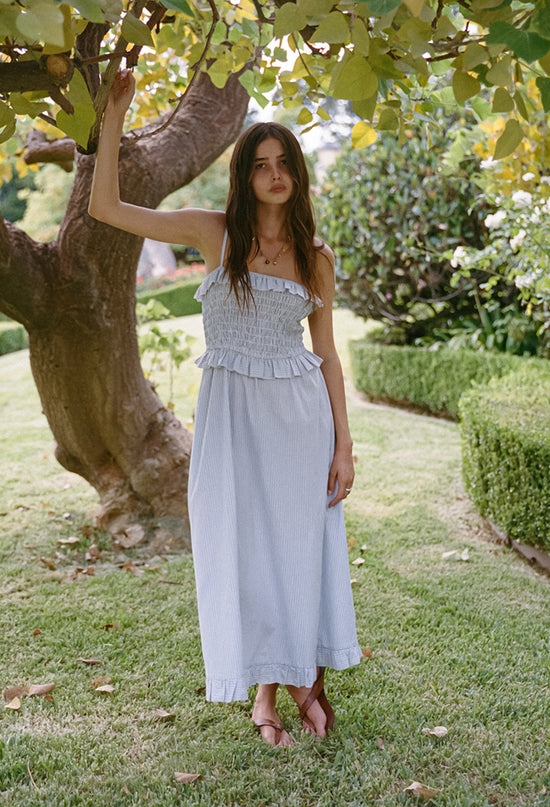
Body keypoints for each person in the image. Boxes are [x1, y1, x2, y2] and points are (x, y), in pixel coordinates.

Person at [89, 69, 362, 747]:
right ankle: (280, 686)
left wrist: (344, 446)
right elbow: (108, 208)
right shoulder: (212, 234)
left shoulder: (316, 258)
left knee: (295, 548)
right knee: (242, 550)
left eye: (283, 163)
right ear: (243, 177)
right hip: (232, 420)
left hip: (300, 420)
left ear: (298, 173)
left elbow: (328, 355)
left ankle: (291, 685)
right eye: (260, 165)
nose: (274, 175)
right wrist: (113, 118)